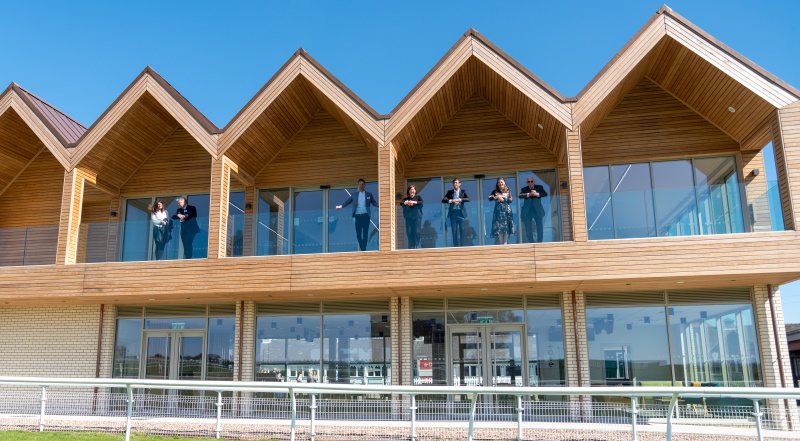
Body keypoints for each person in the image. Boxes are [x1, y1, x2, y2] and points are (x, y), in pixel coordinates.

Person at [336, 179, 379, 251]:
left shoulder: (369, 194)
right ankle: (362, 247)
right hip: (358, 216)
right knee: (358, 234)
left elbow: (373, 202)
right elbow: (348, 202)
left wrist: (378, 205)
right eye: (360, 184)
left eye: (362, 184)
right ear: (358, 185)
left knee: (365, 233)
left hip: (366, 216)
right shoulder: (354, 195)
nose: (361, 186)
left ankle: (364, 249)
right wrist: (340, 206)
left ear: (364, 185)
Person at [519, 177, 548, 243]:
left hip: (537, 211)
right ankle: (531, 242)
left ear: (534, 182)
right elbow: (520, 196)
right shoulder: (524, 189)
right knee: (528, 229)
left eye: (531, 181)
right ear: (527, 183)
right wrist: (528, 194)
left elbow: (545, 194)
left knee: (539, 228)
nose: (530, 183)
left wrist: (536, 194)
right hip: (527, 211)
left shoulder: (539, 187)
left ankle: (539, 242)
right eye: (528, 182)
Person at [442, 178, 470, 246]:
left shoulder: (463, 191)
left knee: (462, 231)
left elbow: (468, 199)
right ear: (452, 184)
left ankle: (462, 246)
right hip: (453, 214)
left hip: (461, 214)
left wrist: (459, 200)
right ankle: (455, 246)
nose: (455, 184)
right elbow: (443, 200)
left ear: (459, 184)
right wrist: (452, 201)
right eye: (454, 183)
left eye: (456, 183)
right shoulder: (450, 192)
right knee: (454, 231)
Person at [489, 177, 514, 245]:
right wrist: (496, 197)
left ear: (504, 182)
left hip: (506, 211)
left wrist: (503, 198)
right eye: (499, 182)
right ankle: (500, 242)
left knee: (506, 226)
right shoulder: (495, 192)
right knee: (499, 226)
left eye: (501, 182)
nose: (500, 183)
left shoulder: (508, 191)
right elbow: (490, 198)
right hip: (498, 211)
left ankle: (505, 242)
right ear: (497, 184)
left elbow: (511, 200)